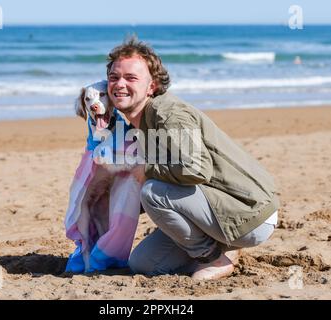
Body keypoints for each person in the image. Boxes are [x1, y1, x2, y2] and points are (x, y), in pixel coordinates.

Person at [106, 38, 280, 280]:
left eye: (131, 78)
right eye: (114, 77)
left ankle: (213, 257)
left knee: (153, 191)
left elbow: (196, 170)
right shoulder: (139, 125)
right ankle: (225, 247)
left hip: (249, 213)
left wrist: (148, 169)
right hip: (213, 208)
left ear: (151, 86)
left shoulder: (166, 113)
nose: (119, 84)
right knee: (143, 264)